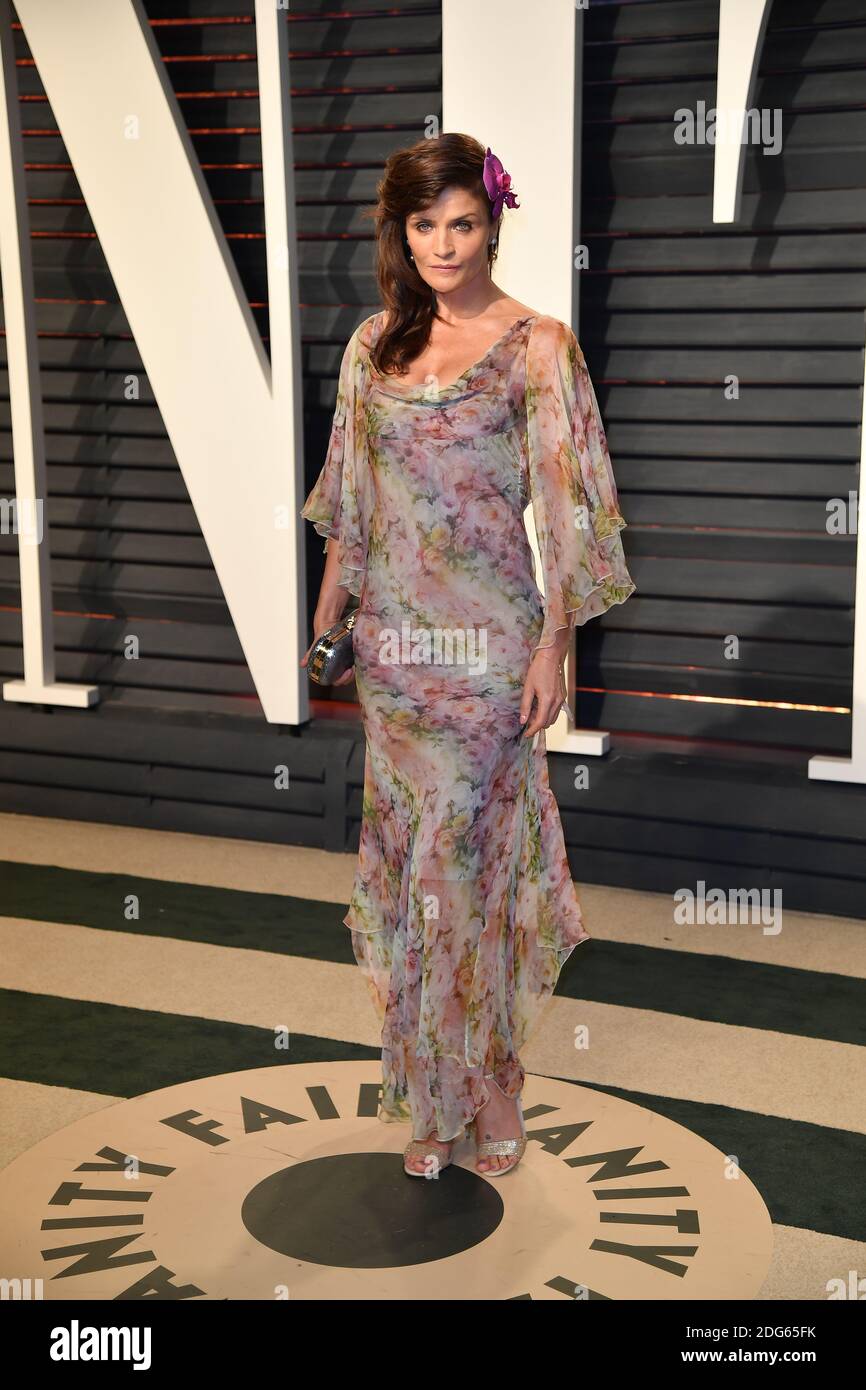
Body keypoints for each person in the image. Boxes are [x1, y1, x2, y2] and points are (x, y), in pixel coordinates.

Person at [300, 132, 635, 1179]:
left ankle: (487, 1078)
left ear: (491, 220)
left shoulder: (538, 346)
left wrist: (555, 648)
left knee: (472, 869)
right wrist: (324, 631)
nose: (444, 243)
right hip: (395, 658)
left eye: (462, 221)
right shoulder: (372, 348)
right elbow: (351, 512)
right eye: (423, 223)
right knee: (417, 879)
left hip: (490, 656)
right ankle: (435, 1091)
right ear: (399, 232)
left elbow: (569, 517)